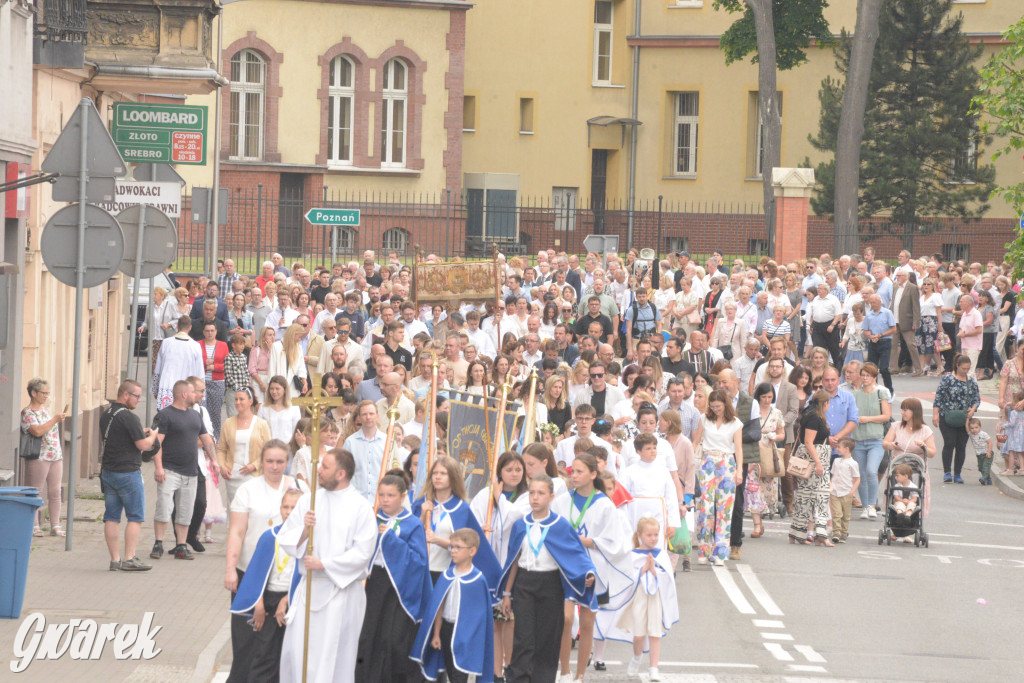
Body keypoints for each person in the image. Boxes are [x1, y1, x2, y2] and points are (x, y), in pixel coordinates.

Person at [276, 448, 378, 683]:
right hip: (309, 590)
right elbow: (286, 537)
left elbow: (363, 553)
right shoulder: (311, 501)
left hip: (342, 591)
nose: (318, 471)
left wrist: (325, 564)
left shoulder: (361, 507)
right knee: (298, 652)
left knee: (335, 658)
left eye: (324, 467)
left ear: (341, 473)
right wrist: (304, 530)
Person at [496, 476, 597, 683]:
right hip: (524, 583)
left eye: (541, 493)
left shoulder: (560, 525)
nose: (535, 498)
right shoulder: (520, 525)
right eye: (532, 493)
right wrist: (507, 593)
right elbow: (513, 560)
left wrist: (587, 573)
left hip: (550, 585)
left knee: (547, 639)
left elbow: (576, 554)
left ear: (551, 497)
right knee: (523, 638)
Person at [224, 440, 306, 682]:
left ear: (287, 462)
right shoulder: (248, 489)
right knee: (247, 642)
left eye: (280, 461)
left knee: (278, 647)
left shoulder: (299, 488)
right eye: (269, 461)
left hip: (285, 582)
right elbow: (237, 532)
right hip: (251, 575)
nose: (274, 466)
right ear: (261, 462)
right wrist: (230, 569)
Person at [553, 452, 633, 682]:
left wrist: (587, 542)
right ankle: (565, 671)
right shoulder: (562, 501)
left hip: (592, 568)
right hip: (566, 568)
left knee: (587, 624)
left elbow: (614, 542)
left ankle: (579, 675)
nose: (574, 476)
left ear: (593, 474)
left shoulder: (604, 504)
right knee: (566, 619)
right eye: (572, 471)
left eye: (579, 472)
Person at [356, 470, 432, 683]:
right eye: (382, 495)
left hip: (399, 589)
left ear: (403, 496)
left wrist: (390, 539)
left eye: (390, 496)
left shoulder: (412, 524)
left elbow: (419, 563)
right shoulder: (371, 518)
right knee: (368, 636)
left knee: (392, 640)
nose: (385, 500)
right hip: (373, 583)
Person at [470, 452, 528, 681]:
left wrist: (500, 498)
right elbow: (472, 520)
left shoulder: (524, 495)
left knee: (511, 622)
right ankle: (495, 672)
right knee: (494, 623)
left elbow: (518, 517)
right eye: (509, 470)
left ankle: (510, 667)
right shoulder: (485, 495)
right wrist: (481, 529)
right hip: (489, 566)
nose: (514, 474)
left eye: (518, 470)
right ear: (499, 472)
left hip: (513, 566)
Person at [412, 528, 495, 683]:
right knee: (449, 670)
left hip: (465, 634)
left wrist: (473, 640)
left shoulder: (478, 580)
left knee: (459, 675)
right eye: (452, 547)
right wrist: (436, 634)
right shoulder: (446, 576)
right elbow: (438, 607)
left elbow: (481, 617)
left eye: (458, 547)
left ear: (472, 551)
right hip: (446, 630)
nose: (453, 551)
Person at [151, 380, 216, 561]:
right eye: (193, 392)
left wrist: (215, 461)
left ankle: (181, 545)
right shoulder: (165, 415)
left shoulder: (195, 416)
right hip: (169, 470)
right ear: (184, 394)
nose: (197, 395)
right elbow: (156, 443)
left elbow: (207, 439)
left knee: (185, 510)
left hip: (190, 472)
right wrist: (158, 467)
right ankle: (158, 542)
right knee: (164, 507)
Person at [412, 455, 502, 585]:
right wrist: (421, 516)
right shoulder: (421, 503)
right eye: (435, 473)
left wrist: (436, 540)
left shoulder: (461, 508)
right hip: (421, 571)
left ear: (453, 478)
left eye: (443, 473)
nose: (437, 477)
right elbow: (411, 536)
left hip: (446, 573)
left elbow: (464, 545)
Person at [99, 380, 160, 571]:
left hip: (108, 472)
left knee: (112, 517)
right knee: (135, 516)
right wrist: (153, 436)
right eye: (137, 396)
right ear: (125, 394)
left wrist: (139, 433)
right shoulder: (129, 417)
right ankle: (130, 558)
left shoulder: (107, 413)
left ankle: (115, 560)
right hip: (127, 473)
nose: (140, 400)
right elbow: (143, 445)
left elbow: (120, 436)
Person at [614, 517, 679, 682]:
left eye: (656, 535)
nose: (653, 538)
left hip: (655, 597)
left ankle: (653, 668)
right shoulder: (633, 554)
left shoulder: (661, 555)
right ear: (640, 535)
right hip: (639, 597)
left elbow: (668, 578)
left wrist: (655, 571)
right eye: (649, 535)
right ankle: (636, 658)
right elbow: (626, 578)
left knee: (655, 632)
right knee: (638, 635)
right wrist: (643, 569)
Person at [21, 378, 68, 537]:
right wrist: (55, 419)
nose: (46, 396)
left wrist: (55, 419)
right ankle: (33, 524)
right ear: (33, 393)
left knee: (55, 491)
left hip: (55, 454)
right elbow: (37, 431)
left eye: (48, 393)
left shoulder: (44, 410)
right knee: (35, 491)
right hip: (39, 456)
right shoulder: (27, 412)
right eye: (44, 393)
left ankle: (55, 525)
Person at [788, 391, 834, 546]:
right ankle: (820, 533)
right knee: (819, 498)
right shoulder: (814, 417)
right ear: (825, 403)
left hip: (816, 462)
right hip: (815, 463)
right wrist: (818, 463)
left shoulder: (811, 415)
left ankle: (797, 533)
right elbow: (808, 442)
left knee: (805, 498)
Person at [218, 388, 272, 504]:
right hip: (232, 475)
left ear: (250, 401)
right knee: (234, 511)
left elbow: (268, 451)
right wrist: (222, 466)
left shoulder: (261, 424)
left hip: (253, 475)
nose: (237, 402)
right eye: (236, 399)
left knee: (252, 510)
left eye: (241, 399)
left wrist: (254, 465)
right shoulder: (228, 423)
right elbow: (221, 449)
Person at [932, 354, 981, 483]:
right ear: (957, 366)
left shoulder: (971, 382)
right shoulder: (947, 379)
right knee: (949, 443)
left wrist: (973, 408)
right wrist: (935, 414)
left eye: (968, 369)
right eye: (963, 368)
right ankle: (947, 472)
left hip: (965, 419)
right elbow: (938, 397)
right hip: (947, 415)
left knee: (961, 446)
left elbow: (977, 399)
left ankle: (958, 473)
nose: (966, 371)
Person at [745, 383, 784, 540]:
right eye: (764, 397)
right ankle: (756, 524)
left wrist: (775, 436)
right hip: (754, 451)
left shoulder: (777, 413)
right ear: (758, 397)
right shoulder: (752, 410)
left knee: (767, 489)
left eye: (769, 397)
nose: (767, 400)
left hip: (769, 452)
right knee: (754, 488)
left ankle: (761, 520)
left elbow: (782, 433)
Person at [850, 363, 890, 516]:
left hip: (876, 439)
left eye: (868, 376)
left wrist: (867, 419)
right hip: (858, 440)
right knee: (861, 474)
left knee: (872, 471)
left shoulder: (881, 394)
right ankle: (865, 506)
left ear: (874, 378)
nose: (865, 378)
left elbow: (886, 416)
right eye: (863, 375)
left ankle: (872, 505)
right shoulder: (854, 395)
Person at [153, 316, 205, 409]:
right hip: (187, 389)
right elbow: (200, 372)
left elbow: (158, 369)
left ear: (177, 326)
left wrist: (156, 390)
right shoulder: (195, 346)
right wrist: (201, 393)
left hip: (168, 387)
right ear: (190, 327)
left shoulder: (166, 343)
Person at [344, 400, 387, 501]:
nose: (368, 417)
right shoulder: (350, 442)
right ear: (359, 417)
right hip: (357, 500)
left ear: (377, 416)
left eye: (371, 414)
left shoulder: (387, 441)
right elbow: (345, 472)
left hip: (381, 501)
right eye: (364, 414)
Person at [197, 321, 229, 437]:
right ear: (203, 332)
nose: (210, 333)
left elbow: (227, 364)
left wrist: (215, 367)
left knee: (215, 412)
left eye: (212, 331)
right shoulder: (198, 344)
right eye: (207, 331)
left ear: (216, 332)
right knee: (201, 410)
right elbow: (194, 362)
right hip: (202, 382)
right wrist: (205, 364)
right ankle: (202, 436)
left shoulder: (223, 345)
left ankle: (216, 437)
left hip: (218, 382)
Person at [863, 295, 897, 394]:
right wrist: (871, 336)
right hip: (873, 343)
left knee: (884, 368)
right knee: (871, 369)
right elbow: (865, 331)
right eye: (871, 303)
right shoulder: (869, 315)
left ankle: (889, 390)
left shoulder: (887, 313)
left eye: (874, 302)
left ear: (879, 302)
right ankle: (873, 389)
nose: (872, 305)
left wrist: (881, 335)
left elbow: (893, 329)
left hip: (885, 342)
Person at [829, 437, 860, 544]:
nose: (837, 449)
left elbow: (857, 478)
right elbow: (833, 475)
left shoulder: (853, 463)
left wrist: (853, 491)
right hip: (835, 492)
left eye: (839, 447)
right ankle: (836, 532)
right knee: (836, 513)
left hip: (847, 492)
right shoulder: (836, 461)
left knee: (845, 515)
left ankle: (844, 532)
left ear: (847, 449)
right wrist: (831, 485)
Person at [258, 375, 303, 443]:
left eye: (277, 388)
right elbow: (259, 429)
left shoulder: (294, 408)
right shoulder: (263, 407)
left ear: (284, 390)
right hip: (269, 447)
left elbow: (296, 431)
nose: (274, 392)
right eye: (272, 388)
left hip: (287, 448)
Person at [270, 323, 309, 399]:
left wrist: (305, 382)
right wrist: (272, 386)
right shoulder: (276, 346)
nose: (299, 340)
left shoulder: (298, 348)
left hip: (292, 387)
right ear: (293, 334)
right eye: (299, 337)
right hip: (278, 385)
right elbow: (272, 368)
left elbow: (301, 367)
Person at [957, 294, 984, 378]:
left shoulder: (976, 314)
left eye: (961, 302)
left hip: (973, 346)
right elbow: (961, 327)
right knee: (964, 370)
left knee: (970, 371)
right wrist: (961, 333)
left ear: (968, 303)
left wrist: (965, 334)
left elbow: (979, 330)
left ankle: (970, 389)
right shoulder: (964, 314)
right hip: (964, 345)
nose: (959, 304)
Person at [967, 417, 994, 486]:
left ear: (980, 427)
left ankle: (983, 478)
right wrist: (967, 419)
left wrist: (989, 452)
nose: (974, 430)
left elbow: (990, 442)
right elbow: (967, 428)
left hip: (987, 453)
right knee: (980, 467)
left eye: (976, 427)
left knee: (985, 466)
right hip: (979, 454)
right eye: (972, 428)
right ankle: (988, 478)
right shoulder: (971, 435)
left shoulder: (983, 434)